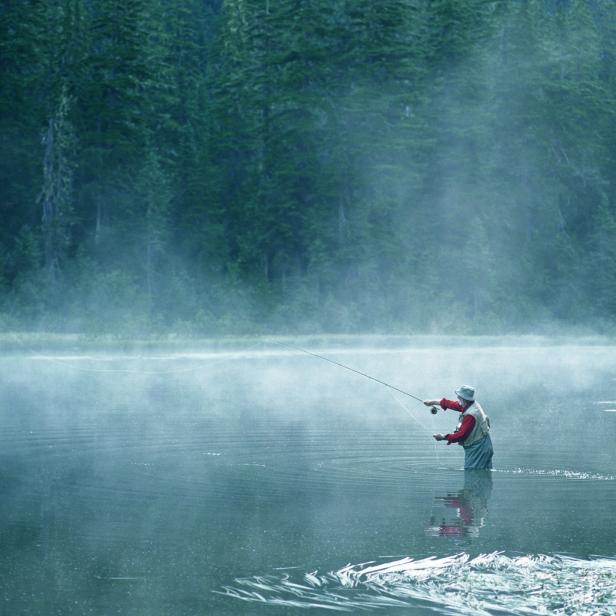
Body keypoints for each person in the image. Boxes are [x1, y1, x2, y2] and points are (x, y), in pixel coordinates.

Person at [423, 385, 493, 470]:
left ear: (464, 399)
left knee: (472, 474)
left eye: (459, 397)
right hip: (485, 445)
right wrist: (432, 402)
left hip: (478, 449)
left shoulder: (471, 415)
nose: (458, 398)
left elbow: (461, 435)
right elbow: (452, 404)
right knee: (483, 476)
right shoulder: (471, 404)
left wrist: (443, 437)